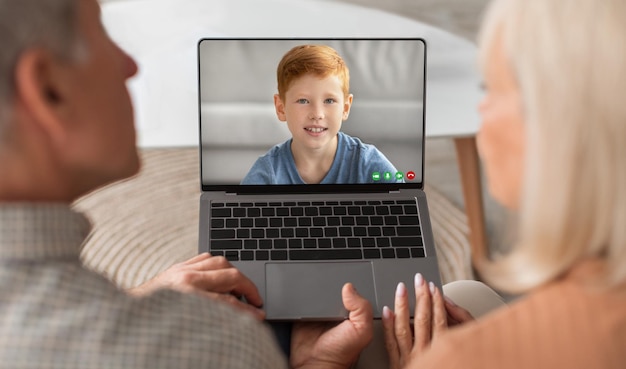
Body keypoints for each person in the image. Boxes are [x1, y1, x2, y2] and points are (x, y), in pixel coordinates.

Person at [0, 1, 373, 368]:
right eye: (102, 33)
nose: (129, 65)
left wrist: (140, 296)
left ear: (346, 106)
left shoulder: (364, 156)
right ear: (49, 89)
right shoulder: (219, 346)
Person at [380, 0, 626, 367]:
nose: (480, 112)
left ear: (553, 128)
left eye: (491, 89)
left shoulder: (455, 359)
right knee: (468, 294)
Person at [241, 44, 401, 185]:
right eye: (303, 101)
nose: (317, 114)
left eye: (329, 101)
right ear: (281, 108)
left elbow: (400, 198)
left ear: (345, 108)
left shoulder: (366, 162)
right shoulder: (267, 173)